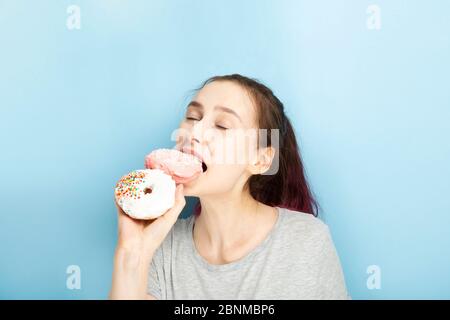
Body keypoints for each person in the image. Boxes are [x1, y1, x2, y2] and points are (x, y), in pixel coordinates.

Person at [109, 74, 349, 299]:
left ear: (261, 160)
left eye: (222, 126)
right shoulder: (161, 244)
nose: (194, 132)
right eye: (192, 117)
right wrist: (131, 254)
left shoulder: (305, 241)